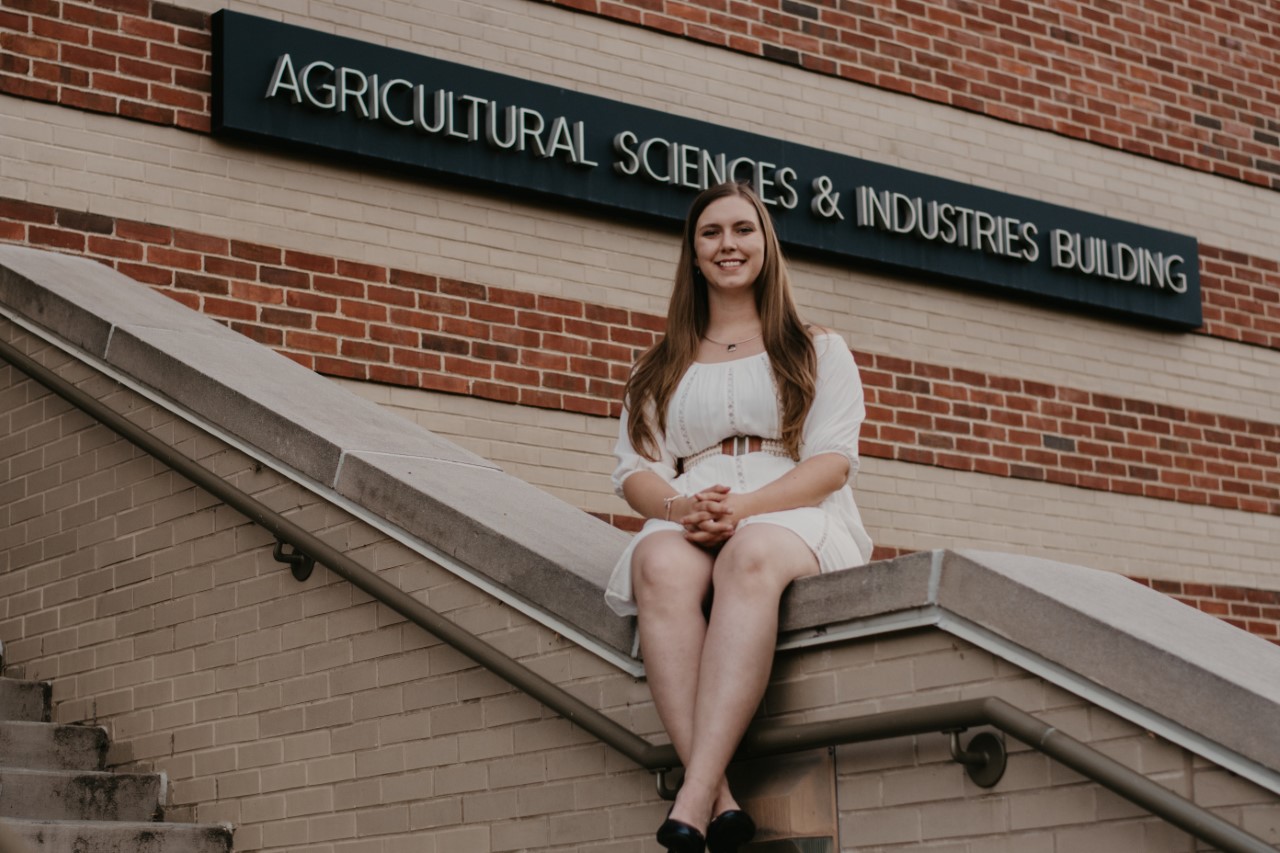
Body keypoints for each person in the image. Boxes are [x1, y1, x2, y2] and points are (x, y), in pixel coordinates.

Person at [605, 181, 874, 852]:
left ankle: (692, 796)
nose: (729, 244)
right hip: (689, 509)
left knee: (749, 552)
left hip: (791, 507)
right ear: (693, 253)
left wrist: (746, 507)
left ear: (765, 244)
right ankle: (721, 797)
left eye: (743, 229)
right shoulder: (656, 365)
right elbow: (634, 471)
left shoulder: (816, 348)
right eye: (712, 233)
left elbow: (833, 461)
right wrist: (680, 508)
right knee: (656, 560)